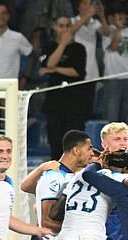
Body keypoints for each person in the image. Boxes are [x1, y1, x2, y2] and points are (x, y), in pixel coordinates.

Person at [40, 16, 87, 160]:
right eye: (61, 26)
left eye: (68, 26)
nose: (65, 29)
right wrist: (62, 45)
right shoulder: (49, 46)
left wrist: (54, 69)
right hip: (54, 102)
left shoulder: (79, 48)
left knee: (74, 141)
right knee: (55, 140)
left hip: (74, 102)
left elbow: (77, 72)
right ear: (54, 27)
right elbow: (48, 64)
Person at [72, 0, 110, 127]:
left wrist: (102, 16)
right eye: (87, 3)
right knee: (75, 107)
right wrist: (87, 16)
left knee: (87, 108)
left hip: (91, 72)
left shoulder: (95, 23)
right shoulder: (73, 21)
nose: (91, 6)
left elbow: (106, 33)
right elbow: (70, 32)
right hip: (75, 71)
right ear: (79, 7)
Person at [0, 2, 33, 82]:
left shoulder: (18, 37)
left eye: (3, 13)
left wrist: (26, 77)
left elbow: (31, 55)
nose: (0, 16)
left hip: (9, 86)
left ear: (8, 16)